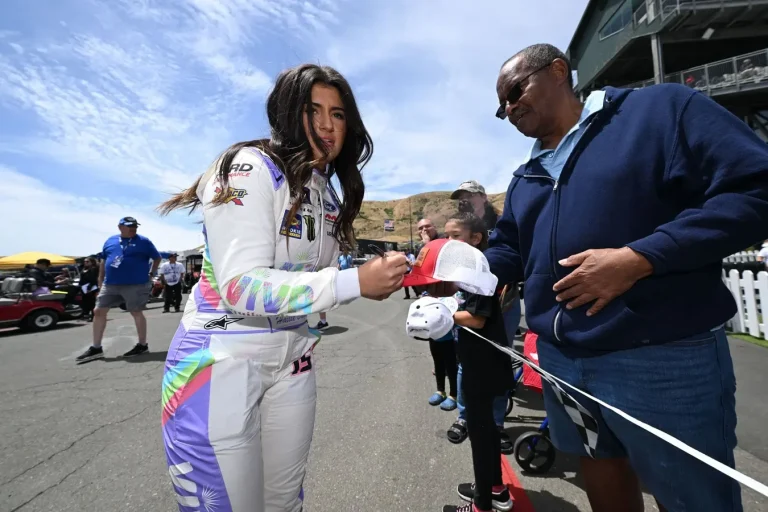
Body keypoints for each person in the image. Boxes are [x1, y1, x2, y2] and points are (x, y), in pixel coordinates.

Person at [479, 43, 768, 512]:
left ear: (558, 71)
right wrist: (456, 276)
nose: (509, 108)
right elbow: (508, 249)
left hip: (662, 360)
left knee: (695, 498)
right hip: (562, 362)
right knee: (600, 468)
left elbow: (756, 188)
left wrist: (640, 258)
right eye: (502, 106)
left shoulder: (662, 110)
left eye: (514, 91)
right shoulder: (525, 177)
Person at [156, 63, 407, 512]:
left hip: (293, 361)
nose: (328, 125)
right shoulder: (248, 166)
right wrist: (354, 282)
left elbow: (313, 279)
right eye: (314, 111)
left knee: (285, 505)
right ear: (288, 114)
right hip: (217, 360)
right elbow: (239, 285)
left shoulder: (326, 192)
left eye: (339, 114)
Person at [439, 212, 514, 512]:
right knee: (487, 433)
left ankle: (482, 504)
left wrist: (440, 314)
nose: (448, 242)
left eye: (454, 235)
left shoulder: (479, 271)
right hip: (479, 363)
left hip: (483, 367)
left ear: (476, 238)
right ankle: (495, 488)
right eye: (446, 236)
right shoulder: (469, 270)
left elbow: (478, 318)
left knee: (481, 437)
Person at [76, 217, 161, 363]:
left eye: (135, 226)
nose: (133, 228)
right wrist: (100, 281)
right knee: (98, 311)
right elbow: (103, 261)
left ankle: (142, 345)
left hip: (135, 284)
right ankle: (96, 348)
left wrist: (151, 273)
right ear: (120, 227)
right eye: (129, 226)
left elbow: (157, 258)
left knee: (136, 311)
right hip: (110, 284)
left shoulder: (144, 241)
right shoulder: (110, 241)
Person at [79, 257, 99, 322]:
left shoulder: (93, 269)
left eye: (87, 261)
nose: (85, 263)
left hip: (91, 288)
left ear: (92, 262)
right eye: (85, 261)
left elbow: (93, 280)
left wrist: (89, 288)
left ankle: (93, 316)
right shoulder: (83, 269)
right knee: (86, 303)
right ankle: (86, 315)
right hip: (83, 288)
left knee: (92, 303)